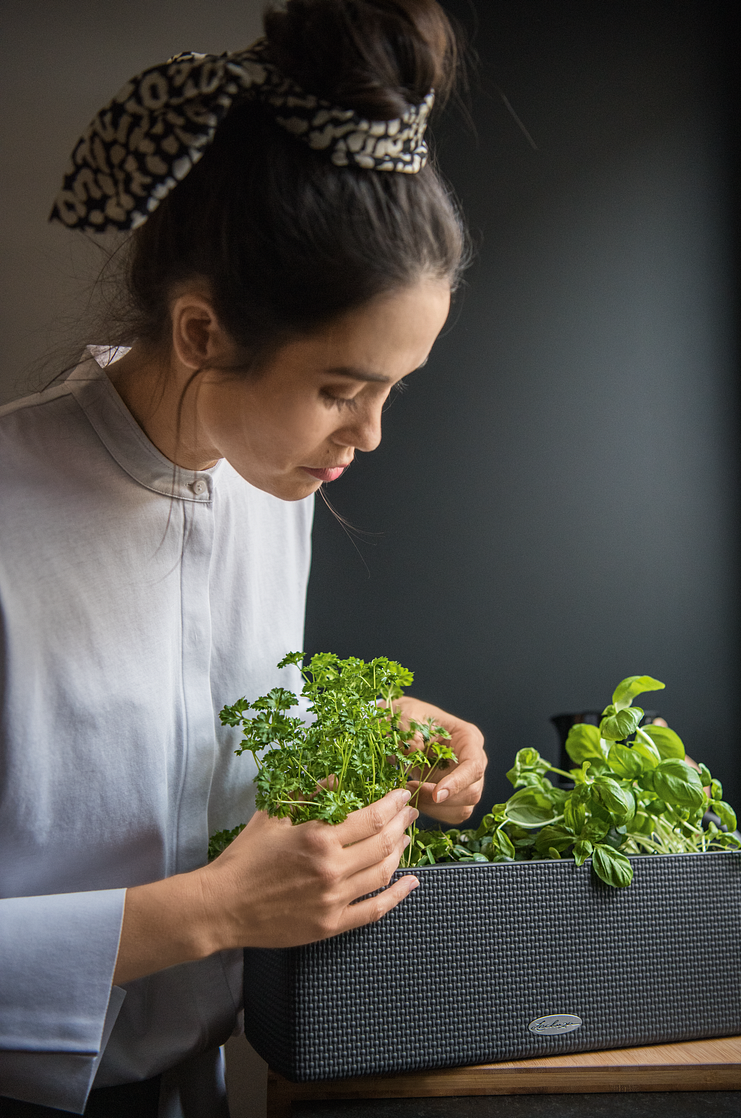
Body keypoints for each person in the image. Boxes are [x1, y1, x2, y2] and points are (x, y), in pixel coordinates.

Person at [0, 1, 486, 1114]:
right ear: (201, 332)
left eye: (390, 390)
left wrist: (357, 731)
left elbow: (175, 739)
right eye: (339, 389)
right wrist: (215, 910)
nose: (366, 436)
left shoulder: (271, 482)